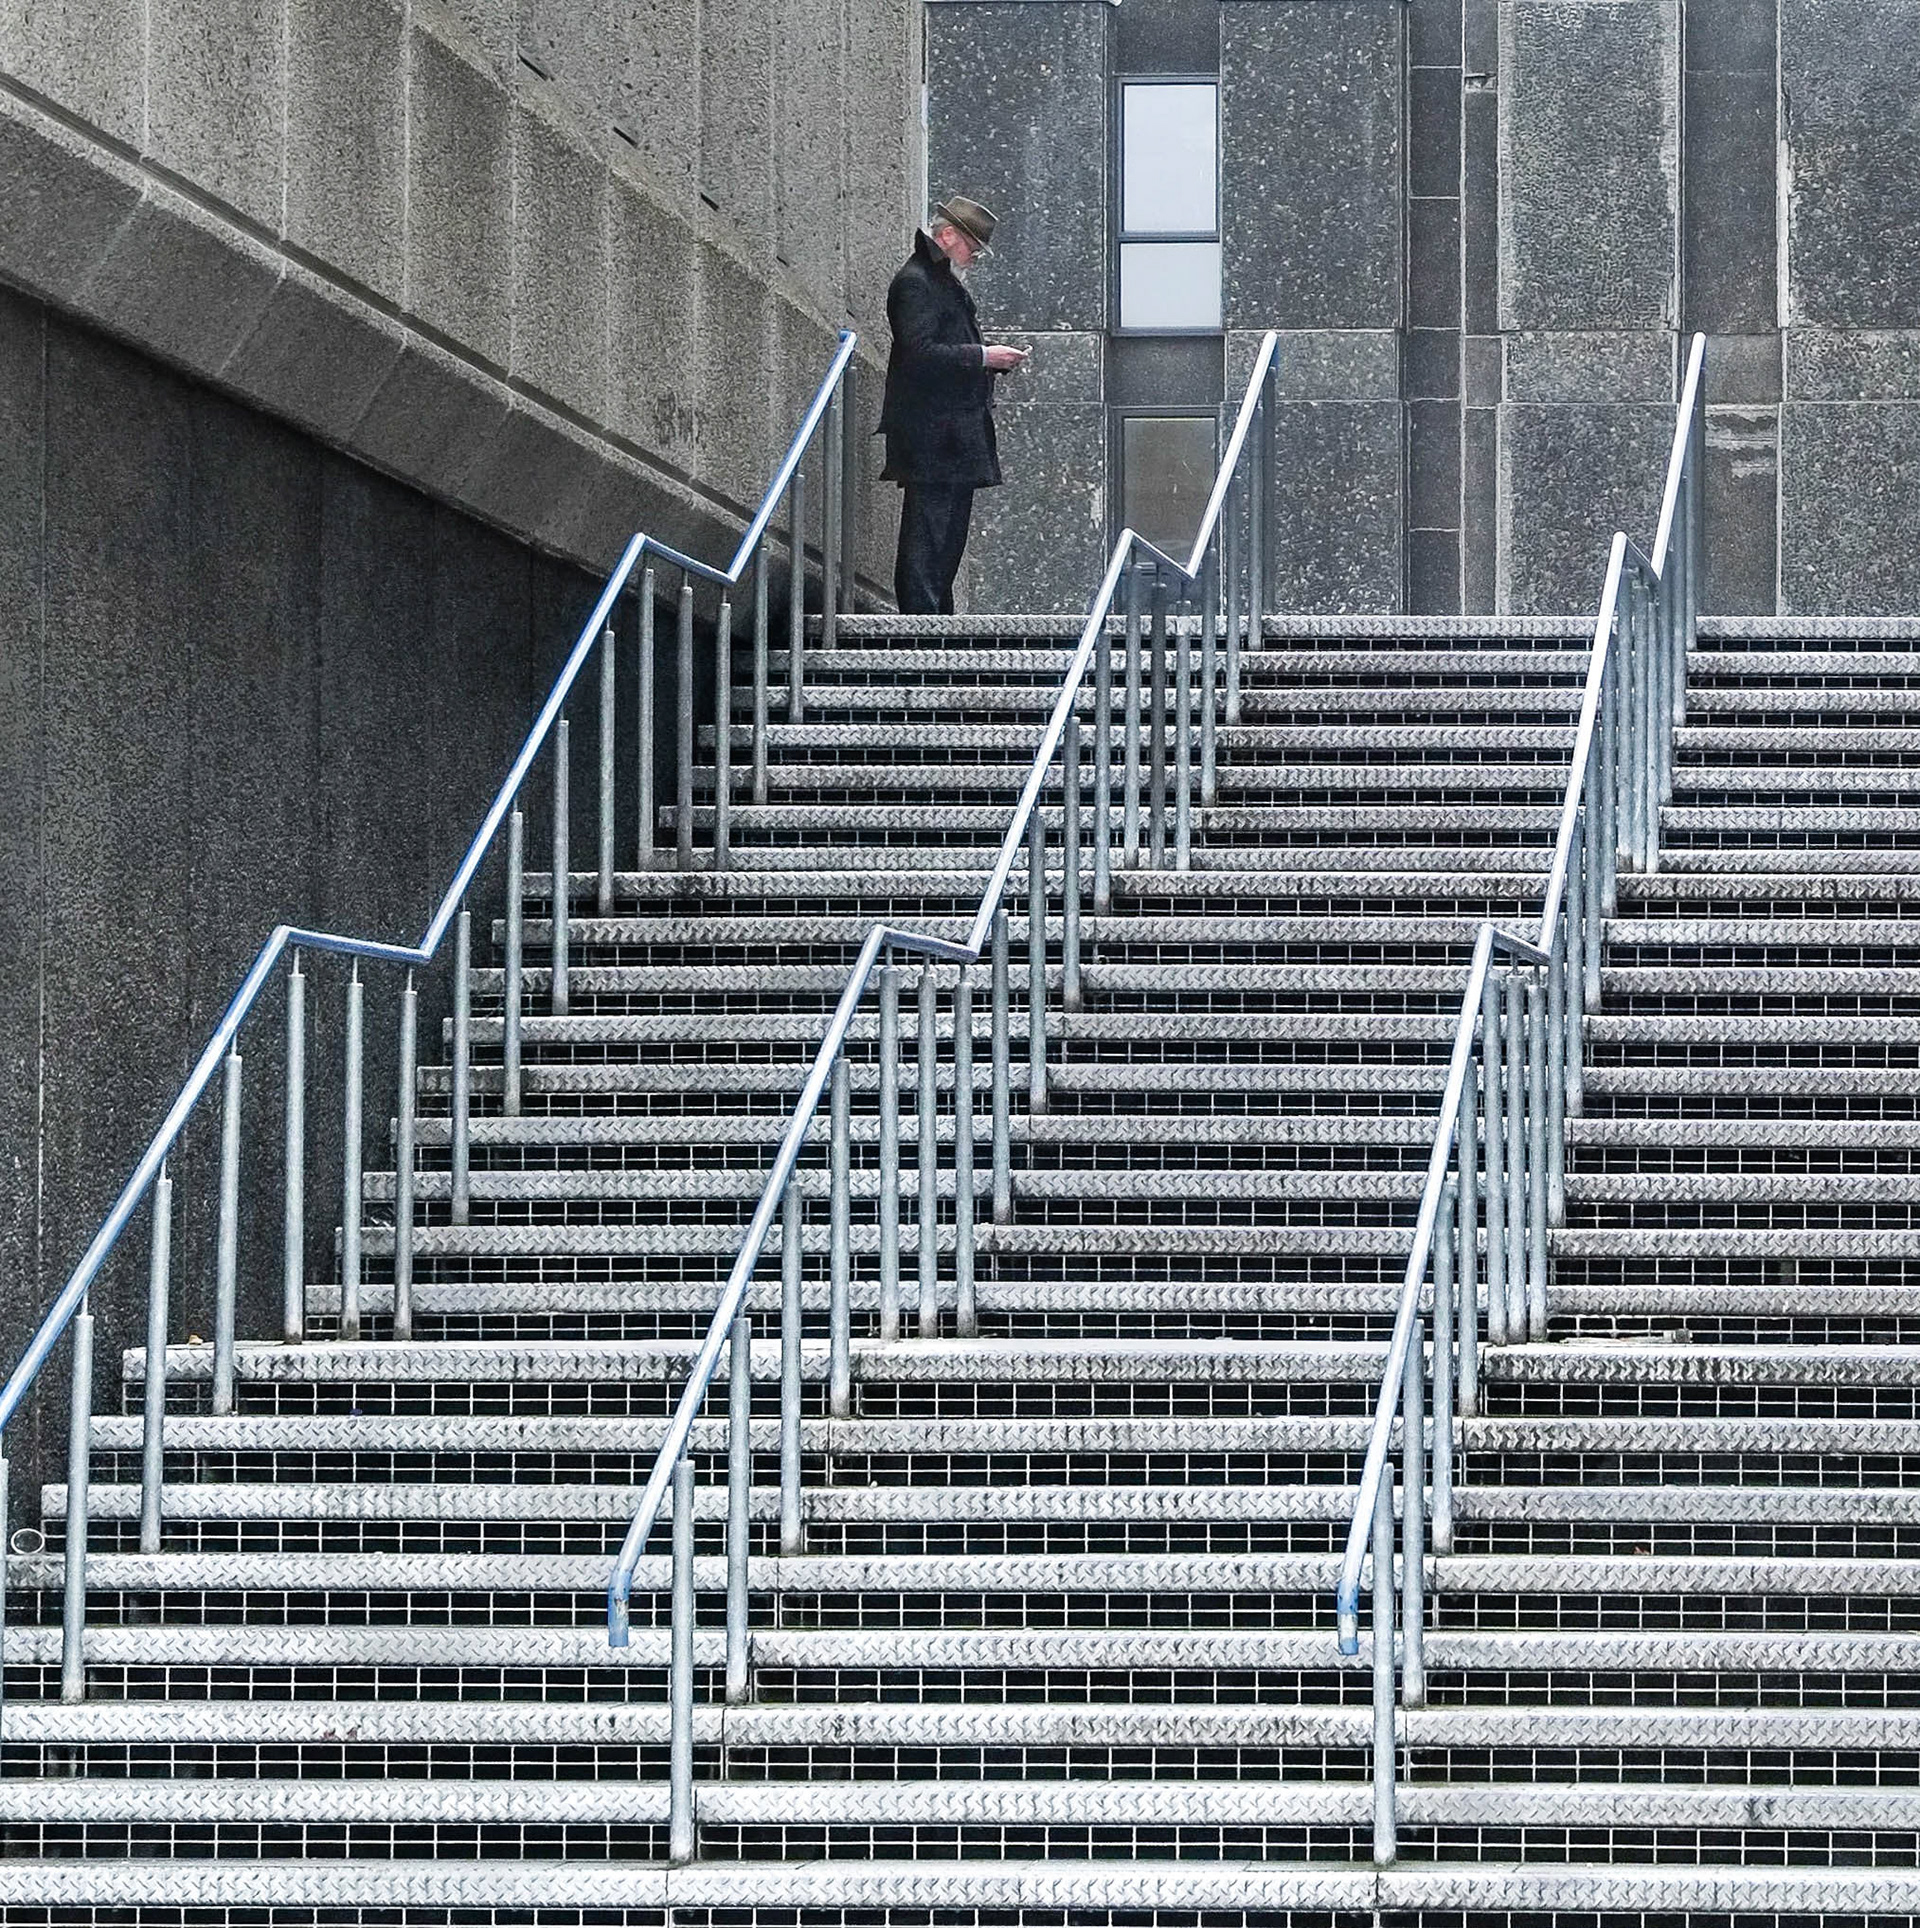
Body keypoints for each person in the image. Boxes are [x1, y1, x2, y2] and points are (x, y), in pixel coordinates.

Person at [879, 196, 1030, 614]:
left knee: (946, 536)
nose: (975, 257)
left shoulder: (937, 281)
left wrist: (988, 361)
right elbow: (919, 353)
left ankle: (934, 622)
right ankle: (920, 626)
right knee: (930, 532)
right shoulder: (917, 282)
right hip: (933, 433)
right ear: (947, 236)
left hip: (951, 434)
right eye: (972, 247)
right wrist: (985, 356)